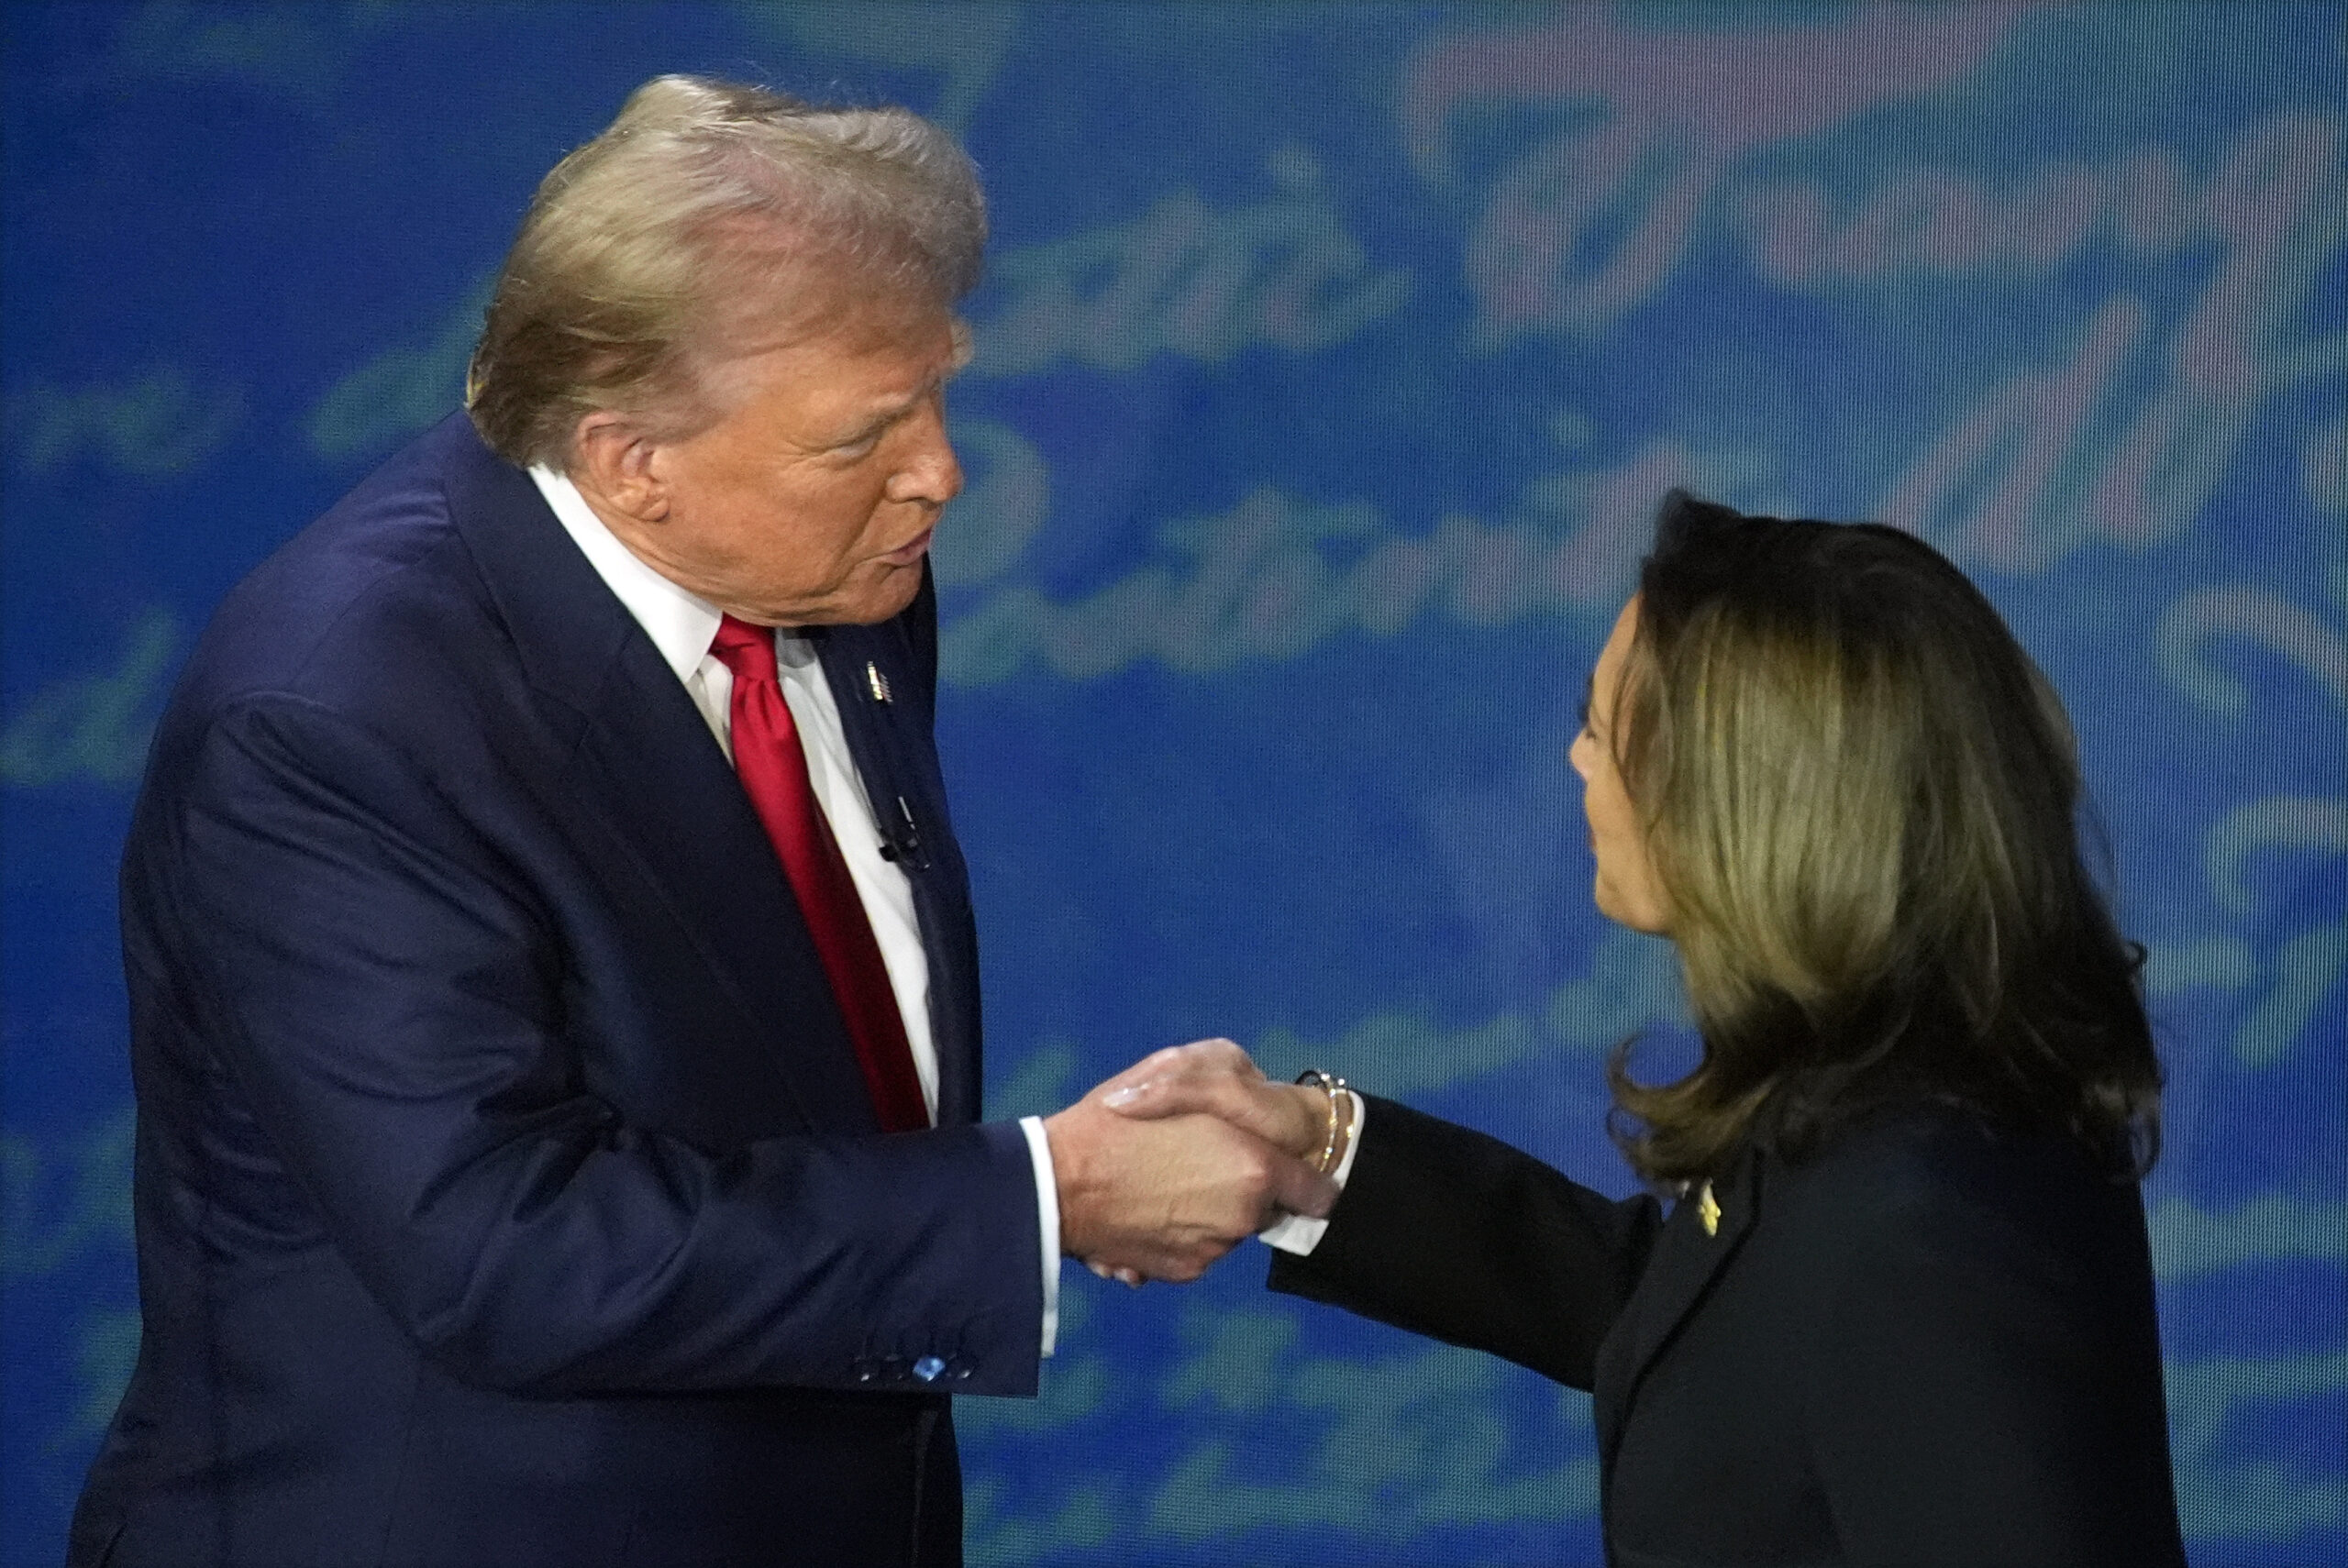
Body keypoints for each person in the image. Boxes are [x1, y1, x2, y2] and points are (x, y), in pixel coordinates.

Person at [69, 76, 1331, 1568]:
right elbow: (503, 1250)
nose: (941, 470)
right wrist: (1041, 1201)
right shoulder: (335, 718)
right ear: (630, 462)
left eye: (939, 390)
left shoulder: (839, 568)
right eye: (864, 433)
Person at [1107, 491, 2190, 1565]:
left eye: (1598, 723)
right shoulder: (1884, 1097)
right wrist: (1319, 1151)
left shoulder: (1925, 1221)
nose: (1579, 761)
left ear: (1742, 797)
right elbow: (1701, 1327)